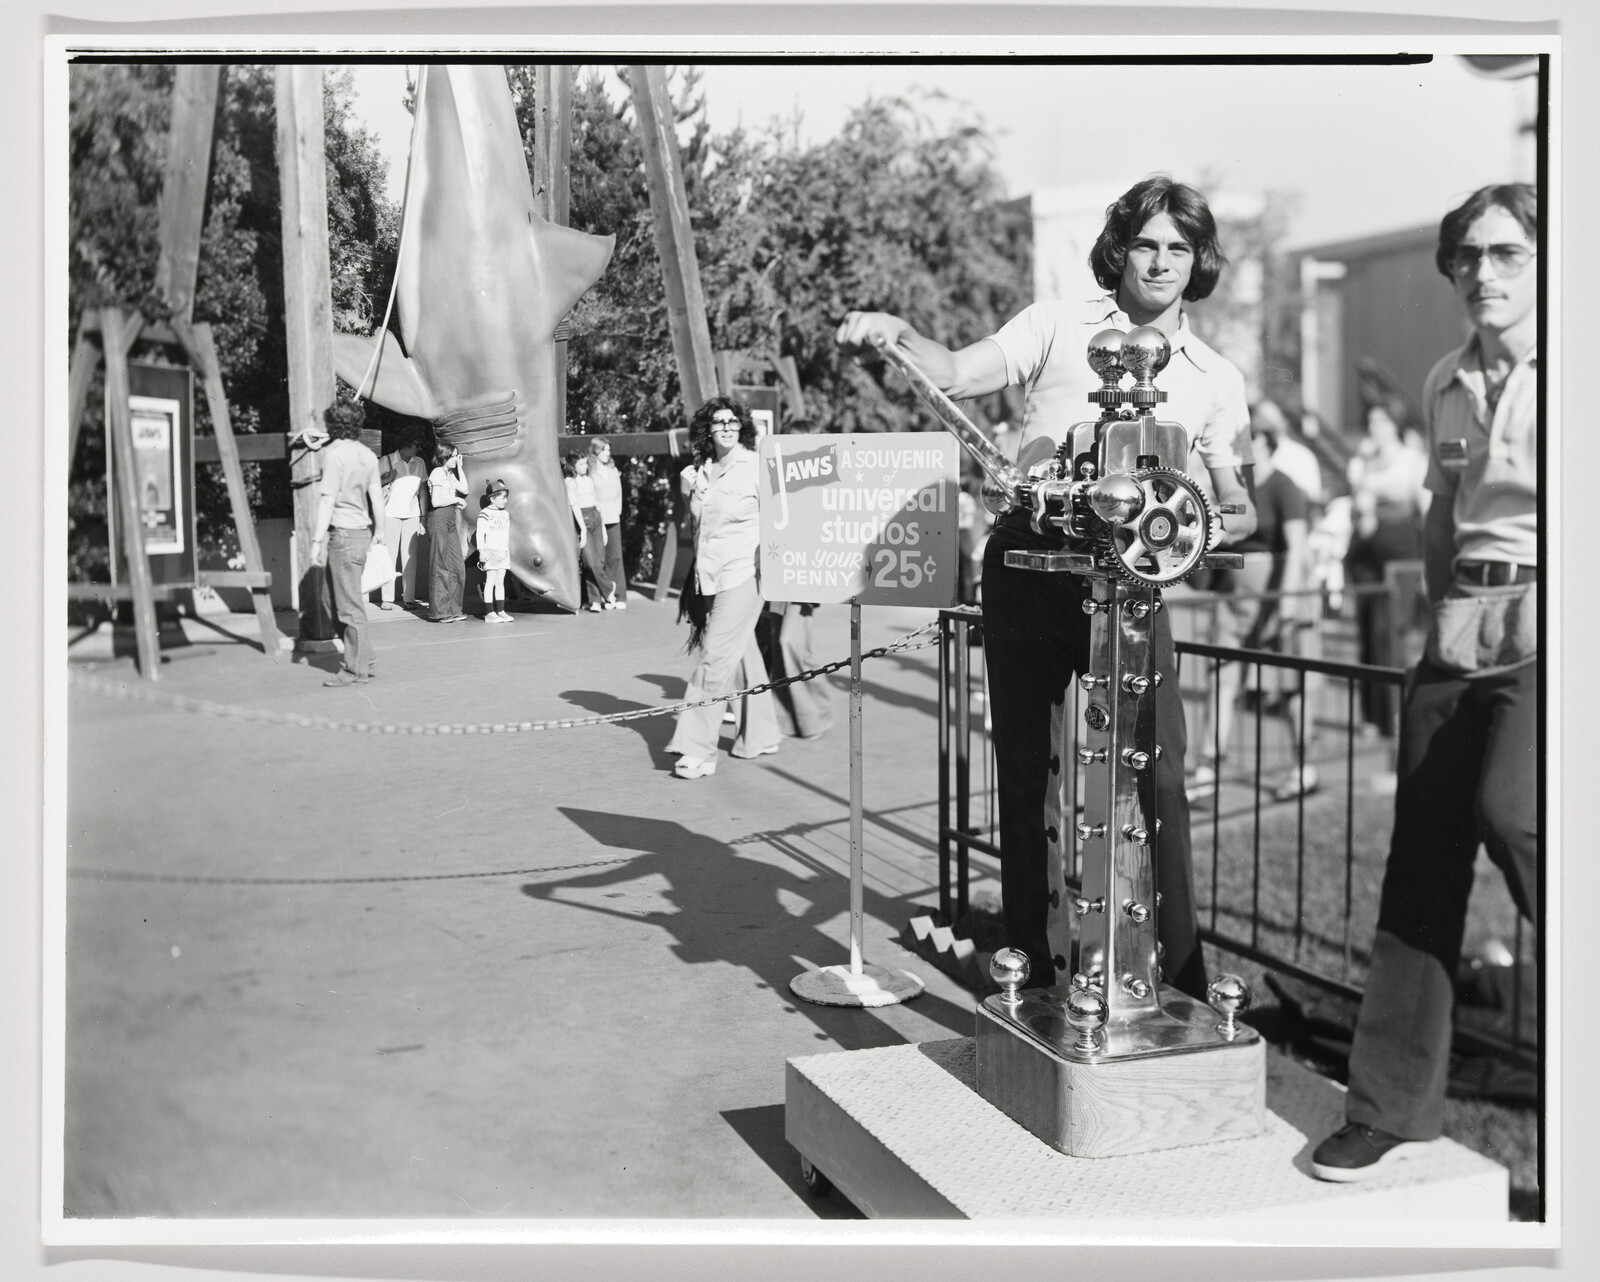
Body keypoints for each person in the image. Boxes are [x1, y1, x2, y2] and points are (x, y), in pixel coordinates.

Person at [837, 174, 1257, 995]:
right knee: (1027, 772)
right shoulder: (1058, 325)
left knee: (1158, 770)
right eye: (1146, 244)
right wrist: (898, 333)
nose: (1161, 262)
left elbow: (1237, 508)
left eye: (1179, 247)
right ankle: (1024, 967)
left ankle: (1180, 977)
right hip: (1029, 567)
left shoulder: (1215, 375)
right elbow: (957, 372)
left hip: (1132, 591)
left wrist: (1190, 519)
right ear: (1119, 250)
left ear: (1199, 259)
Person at [1311, 183, 1539, 1181]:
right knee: (1422, 858)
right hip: (1459, 630)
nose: (1483, 274)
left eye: (1506, 253)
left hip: (1551, 623)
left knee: (1515, 812)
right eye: (1466, 257)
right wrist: (1438, 623)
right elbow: (1442, 515)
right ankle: (1390, 1106)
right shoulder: (1445, 380)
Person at [1187, 411, 1319, 804]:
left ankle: (1303, 765)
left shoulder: (1283, 486)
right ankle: (1209, 768)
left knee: (1292, 682)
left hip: (1278, 591)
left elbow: (1296, 547)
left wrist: (1287, 601)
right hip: (1235, 593)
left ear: (1266, 441)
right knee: (1222, 676)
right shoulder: (1231, 487)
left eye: (1249, 437)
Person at [665, 396, 781, 778]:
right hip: (710, 575)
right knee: (741, 652)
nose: (727, 427)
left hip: (746, 574)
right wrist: (687, 492)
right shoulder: (701, 471)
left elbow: (781, 518)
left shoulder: (757, 466)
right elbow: (698, 527)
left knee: (714, 658)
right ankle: (761, 734)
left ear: (742, 427)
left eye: (733, 421)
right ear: (708, 430)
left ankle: (698, 749)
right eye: (719, 422)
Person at [1345, 400, 1432, 735]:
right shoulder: (1363, 461)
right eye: (1371, 421)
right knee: (1367, 633)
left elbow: (1424, 513)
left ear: (1395, 425)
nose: (1375, 428)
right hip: (1366, 556)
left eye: (1381, 421)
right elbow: (1356, 500)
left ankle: (1394, 713)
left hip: (1401, 558)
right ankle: (1372, 714)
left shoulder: (1412, 460)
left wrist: (1427, 563)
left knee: (1390, 633)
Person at [755, 418, 835, 741]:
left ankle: (817, 714)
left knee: (793, 643)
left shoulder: (824, 480)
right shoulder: (779, 474)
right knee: (777, 642)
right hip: (780, 567)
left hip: (806, 572)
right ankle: (790, 718)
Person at [308, 401, 385, 687]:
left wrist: (316, 541)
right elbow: (376, 496)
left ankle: (354, 669)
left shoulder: (334, 455)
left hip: (342, 535)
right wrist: (381, 532)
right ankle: (364, 654)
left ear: (332, 425)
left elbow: (327, 499)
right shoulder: (367, 455)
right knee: (332, 598)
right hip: (360, 534)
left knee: (348, 605)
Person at [375, 431, 427, 611]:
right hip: (390, 514)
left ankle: (409, 598)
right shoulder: (386, 461)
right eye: (415, 445)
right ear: (406, 444)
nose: (418, 449)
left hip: (412, 514)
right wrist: (387, 479)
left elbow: (422, 492)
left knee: (410, 559)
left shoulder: (419, 463)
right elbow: (373, 487)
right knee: (389, 556)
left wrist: (423, 517)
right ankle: (387, 598)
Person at [564, 453, 616, 613]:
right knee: (590, 562)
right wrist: (583, 529)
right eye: (580, 464)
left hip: (595, 516)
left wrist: (603, 530)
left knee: (598, 561)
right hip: (583, 518)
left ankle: (595, 600)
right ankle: (609, 588)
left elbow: (597, 501)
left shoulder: (589, 479)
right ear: (573, 466)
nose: (584, 466)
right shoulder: (570, 482)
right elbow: (574, 505)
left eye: (585, 463)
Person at [425, 441, 469, 623]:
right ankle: (440, 611)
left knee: (457, 566)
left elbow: (465, 489)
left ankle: (454, 608)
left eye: (456, 456)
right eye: (452, 456)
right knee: (440, 565)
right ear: (443, 456)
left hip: (450, 520)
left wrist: (459, 466)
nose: (455, 459)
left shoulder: (449, 474)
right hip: (439, 519)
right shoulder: (437, 472)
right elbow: (435, 501)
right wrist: (456, 500)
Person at [587, 436, 627, 610]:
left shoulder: (612, 469)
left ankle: (619, 596)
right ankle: (603, 596)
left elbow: (619, 492)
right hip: (598, 517)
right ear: (596, 451)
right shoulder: (590, 470)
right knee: (599, 559)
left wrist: (617, 510)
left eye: (609, 450)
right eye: (604, 449)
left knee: (616, 557)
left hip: (613, 515)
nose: (607, 453)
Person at [477, 478, 513, 622]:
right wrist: (482, 551)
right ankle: (489, 612)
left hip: (503, 551)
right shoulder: (484, 514)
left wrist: (505, 549)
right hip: (490, 550)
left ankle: (501, 610)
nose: (505, 501)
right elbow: (480, 533)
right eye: (502, 497)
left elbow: (506, 532)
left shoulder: (505, 514)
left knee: (500, 581)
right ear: (492, 498)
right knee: (490, 581)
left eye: (506, 497)